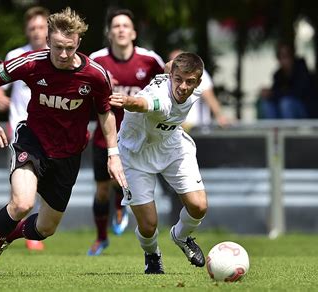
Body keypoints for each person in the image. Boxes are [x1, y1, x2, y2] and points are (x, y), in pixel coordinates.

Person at [0, 7, 127, 278]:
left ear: (78, 43)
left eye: (69, 47)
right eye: (58, 48)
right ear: (48, 42)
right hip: (32, 142)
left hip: (69, 154)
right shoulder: (31, 63)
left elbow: (105, 113)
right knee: (22, 203)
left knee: (46, 229)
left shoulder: (95, 75)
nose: (64, 54)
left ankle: (9, 236)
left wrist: (113, 153)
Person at [109, 52, 208, 274]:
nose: (183, 86)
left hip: (172, 146)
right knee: (148, 224)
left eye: (189, 81)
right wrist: (127, 101)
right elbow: (142, 104)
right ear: (172, 76)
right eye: (178, 79)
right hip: (135, 152)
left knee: (199, 206)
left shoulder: (193, 85)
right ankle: (152, 255)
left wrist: (172, 66)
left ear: (198, 82)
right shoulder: (161, 98)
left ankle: (181, 237)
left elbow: (170, 64)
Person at [87, 8, 166, 256]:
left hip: (137, 139)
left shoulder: (150, 61)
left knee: (119, 181)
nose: (121, 29)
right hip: (105, 136)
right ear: (109, 33)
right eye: (116, 26)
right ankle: (101, 238)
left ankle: (121, 203)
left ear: (133, 33)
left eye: (125, 26)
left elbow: (166, 91)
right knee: (101, 189)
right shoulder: (96, 61)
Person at [0, 6, 50, 252]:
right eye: (32, 28)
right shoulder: (18, 54)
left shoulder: (57, 56)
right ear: (26, 31)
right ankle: (19, 231)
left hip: (50, 131)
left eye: (41, 27)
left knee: (42, 183)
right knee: (23, 183)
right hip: (21, 129)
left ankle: (26, 228)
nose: (37, 32)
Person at [168, 49, 231, 129]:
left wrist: (220, 116)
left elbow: (208, 95)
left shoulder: (197, 72)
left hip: (196, 127)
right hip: (176, 128)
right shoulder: (168, 76)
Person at [258, 41, 318, 119]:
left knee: (286, 103)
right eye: (280, 56)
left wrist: (273, 93)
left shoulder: (302, 70)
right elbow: (277, 92)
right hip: (284, 110)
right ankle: (273, 129)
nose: (284, 60)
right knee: (266, 103)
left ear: (292, 56)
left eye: (286, 56)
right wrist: (267, 93)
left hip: (307, 110)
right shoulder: (278, 75)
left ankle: (289, 131)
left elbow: (298, 92)